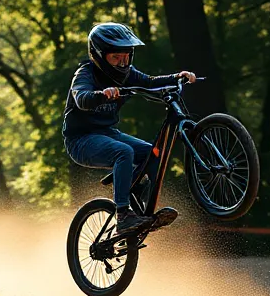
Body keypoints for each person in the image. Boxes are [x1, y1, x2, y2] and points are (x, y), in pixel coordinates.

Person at [63, 22, 196, 234]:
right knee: (123, 152)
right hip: (81, 140)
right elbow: (81, 98)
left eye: (126, 56)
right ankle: (123, 215)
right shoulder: (85, 74)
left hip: (108, 133)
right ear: (99, 55)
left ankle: (141, 210)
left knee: (154, 153)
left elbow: (151, 82)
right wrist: (101, 94)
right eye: (116, 57)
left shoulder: (127, 74)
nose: (122, 62)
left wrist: (177, 77)